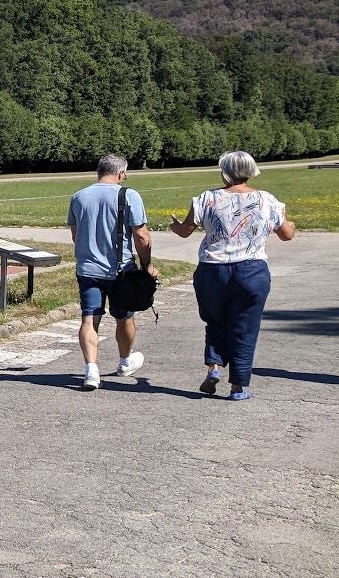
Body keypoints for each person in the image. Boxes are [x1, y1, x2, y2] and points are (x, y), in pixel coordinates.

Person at [167, 150, 295, 400]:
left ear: (224, 171)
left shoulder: (207, 198)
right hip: (252, 270)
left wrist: (175, 226)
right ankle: (239, 386)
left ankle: (214, 366)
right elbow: (287, 234)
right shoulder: (266, 199)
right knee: (245, 327)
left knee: (215, 320)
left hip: (213, 269)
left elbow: (185, 231)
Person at [67, 153, 158, 391]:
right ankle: (125, 361)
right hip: (121, 270)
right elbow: (141, 236)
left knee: (89, 318)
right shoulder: (129, 195)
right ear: (121, 173)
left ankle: (91, 370)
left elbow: (76, 235)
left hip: (87, 269)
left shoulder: (78, 197)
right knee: (124, 316)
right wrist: (146, 264)